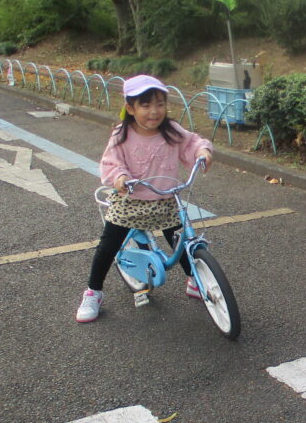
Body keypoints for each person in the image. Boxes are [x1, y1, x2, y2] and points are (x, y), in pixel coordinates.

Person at [76, 74, 213, 323]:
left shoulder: (171, 130)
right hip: (130, 200)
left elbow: (191, 143)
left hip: (165, 198)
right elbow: (111, 162)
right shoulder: (122, 134)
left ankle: (194, 280)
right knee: (108, 245)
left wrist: (202, 151)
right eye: (146, 105)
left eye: (160, 104)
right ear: (130, 108)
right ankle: (93, 291)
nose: (154, 111)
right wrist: (119, 177)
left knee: (180, 240)